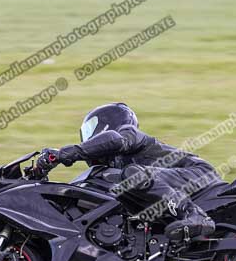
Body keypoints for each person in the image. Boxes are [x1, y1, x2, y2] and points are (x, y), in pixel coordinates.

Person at [37, 103, 217, 241]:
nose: (89, 137)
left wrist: (67, 153)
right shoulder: (115, 168)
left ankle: (195, 215)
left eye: (92, 129)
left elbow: (115, 140)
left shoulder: (131, 135)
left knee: (132, 175)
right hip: (176, 187)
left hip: (199, 174)